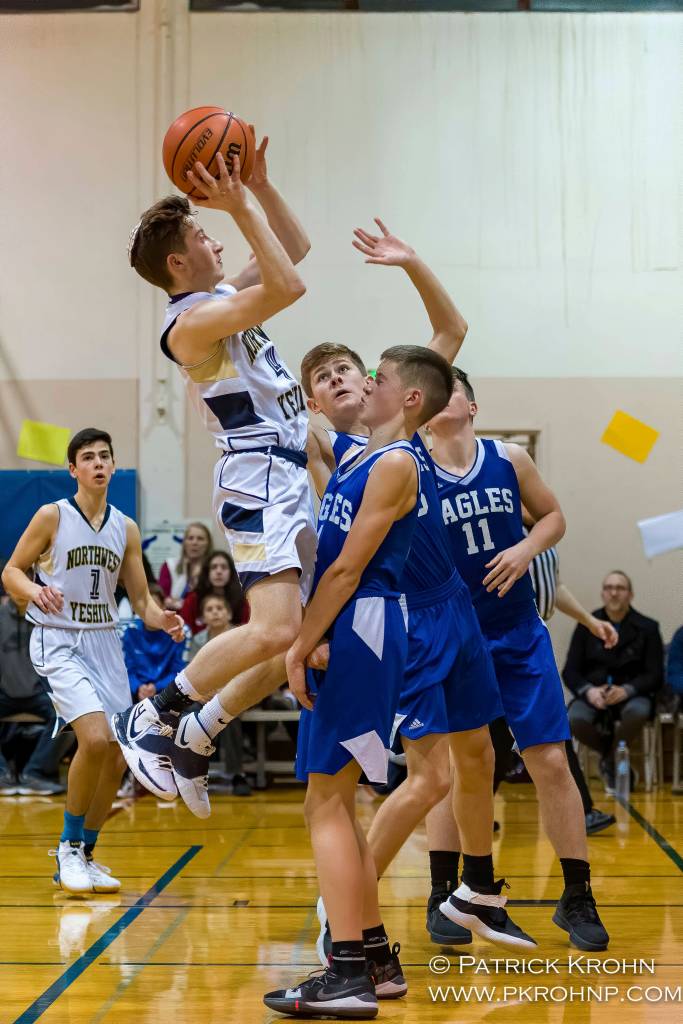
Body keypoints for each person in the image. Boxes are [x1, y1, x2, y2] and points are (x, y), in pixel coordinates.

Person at [303, 221, 534, 956]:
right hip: (412, 618)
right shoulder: (338, 451)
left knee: (478, 760)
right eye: (331, 378)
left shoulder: (403, 425)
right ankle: (349, 903)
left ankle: (476, 889)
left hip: (458, 610)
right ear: (315, 400)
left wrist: (410, 262)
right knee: (429, 775)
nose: (351, 380)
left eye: (356, 371)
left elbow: (450, 328)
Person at [113, 134, 314, 816]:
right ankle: (157, 716)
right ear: (179, 260)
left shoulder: (221, 295)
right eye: (206, 235)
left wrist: (254, 186)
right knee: (273, 629)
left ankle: (198, 735)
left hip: (287, 473)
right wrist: (233, 205)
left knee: (298, 632)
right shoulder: (189, 325)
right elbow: (289, 283)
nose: (220, 243)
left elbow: (294, 252)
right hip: (258, 475)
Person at [263, 344, 452, 1019]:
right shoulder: (357, 456)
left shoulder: (397, 461)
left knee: (326, 802)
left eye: (376, 376)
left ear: (405, 400)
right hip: (357, 626)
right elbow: (307, 426)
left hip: (363, 622)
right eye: (342, 377)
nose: (361, 382)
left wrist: (299, 643)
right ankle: (372, 955)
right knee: (335, 801)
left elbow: (344, 572)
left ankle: (342, 973)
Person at [426, 368, 609, 952]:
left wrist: (526, 546)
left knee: (551, 762)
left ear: (472, 405)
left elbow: (553, 518)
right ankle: (443, 892)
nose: (437, 397)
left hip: (518, 633)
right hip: (455, 637)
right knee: (457, 770)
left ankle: (577, 895)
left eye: (448, 387)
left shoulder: (508, 459)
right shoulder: (411, 467)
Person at [1, 428, 184, 895]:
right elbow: (11, 572)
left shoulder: (126, 527)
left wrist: (161, 619)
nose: (99, 463)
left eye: (106, 455)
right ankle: (65, 849)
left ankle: (86, 853)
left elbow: (140, 598)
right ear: (73, 469)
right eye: (89, 457)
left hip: (105, 640)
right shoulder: (52, 515)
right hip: (59, 639)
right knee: (96, 738)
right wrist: (34, 590)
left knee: (119, 754)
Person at [563, 571, 664, 792]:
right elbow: (570, 671)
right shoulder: (586, 625)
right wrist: (589, 691)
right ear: (602, 593)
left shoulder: (648, 628)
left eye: (620, 588)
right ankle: (612, 758)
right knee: (573, 719)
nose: (614, 593)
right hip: (594, 696)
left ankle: (607, 761)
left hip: (632, 694)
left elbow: (655, 675)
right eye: (609, 588)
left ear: (630, 594)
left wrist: (627, 690)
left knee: (638, 713)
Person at [0, 598, 69, 795]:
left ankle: (35, 773)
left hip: (39, 693)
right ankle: (2, 773)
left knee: (70, 716)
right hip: (5, 693)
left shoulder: (46, 617)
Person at [188, 593, 251, 796]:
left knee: (227, 714)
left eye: (219, 608)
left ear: (229, 613)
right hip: (207, 695)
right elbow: (193, 672)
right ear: (203, 617)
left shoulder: (240, 635)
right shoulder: (198, 640)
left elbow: (247, 668)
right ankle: (192, 774)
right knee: (190, 714)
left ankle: (237, 774)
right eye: (209, 609)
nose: (215, 612)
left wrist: (227, 691)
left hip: (238, 691)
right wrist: (201, 692)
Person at [122, 583, 189, 701]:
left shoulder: (177, 632)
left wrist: (157, 687)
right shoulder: (130, 632)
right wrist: (138, 687)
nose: (149, 612)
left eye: (154, 607)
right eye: (144, 607)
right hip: (135, 692)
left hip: (168, 692)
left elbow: (178, 670)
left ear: (164, 607)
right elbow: (128, 669)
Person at [180, 549, 246, 634]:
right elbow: (185, 631)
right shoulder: (192, 600)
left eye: (224, 567)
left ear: (231, 573)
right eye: (214, 567)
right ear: (207, 572)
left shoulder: (242, 599)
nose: (219, 571)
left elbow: (248, 629)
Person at [158, 522, 212, 609]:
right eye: (190, 538)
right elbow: (162, 598)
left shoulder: (214, 567)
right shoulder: (170, 565)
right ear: (184, 542)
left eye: (200, 539)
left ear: (208, 543)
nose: (194, 542)